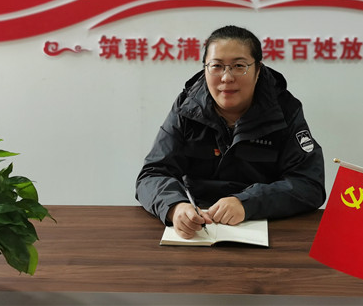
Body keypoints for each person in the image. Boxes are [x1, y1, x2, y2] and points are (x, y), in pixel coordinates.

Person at [136, 25, 326, 239]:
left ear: (258, 70)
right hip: (199, 226)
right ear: (205, 68)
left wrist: (247, 203)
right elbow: (152, 175)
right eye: (216, 66)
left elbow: (309, 184)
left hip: (263, 225)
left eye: (239, 66)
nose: (226, 77)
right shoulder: (187, 107)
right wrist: (175, 206)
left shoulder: (284, 110)